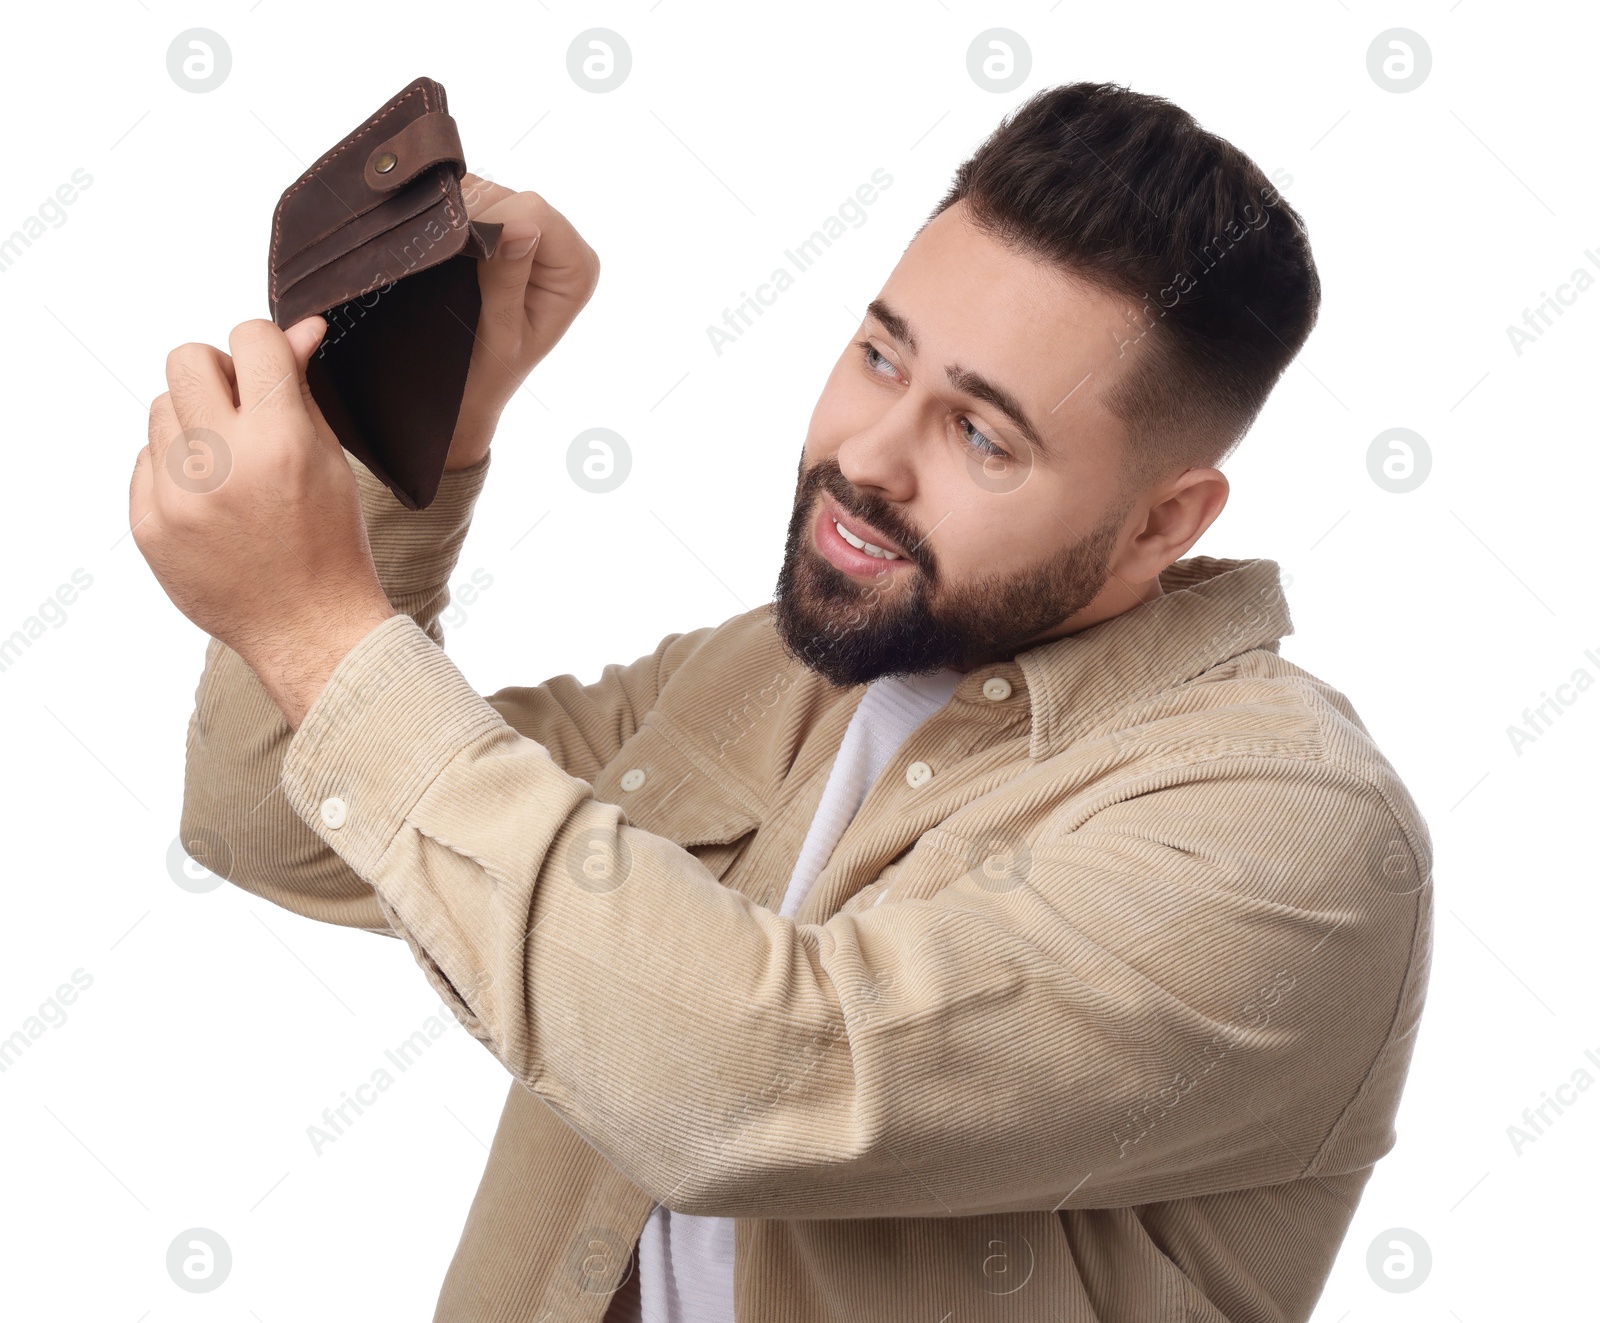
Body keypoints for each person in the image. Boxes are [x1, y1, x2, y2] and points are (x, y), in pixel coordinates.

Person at [132, 82, 1433, 1323]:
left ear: (1165, 521)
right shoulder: (781, 668)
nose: (867, 458)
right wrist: (403, 447)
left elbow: (746, 1085)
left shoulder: (1289, 837)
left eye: (981, 436)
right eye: (880, 356)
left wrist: (317, 621)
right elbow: (283, 824)